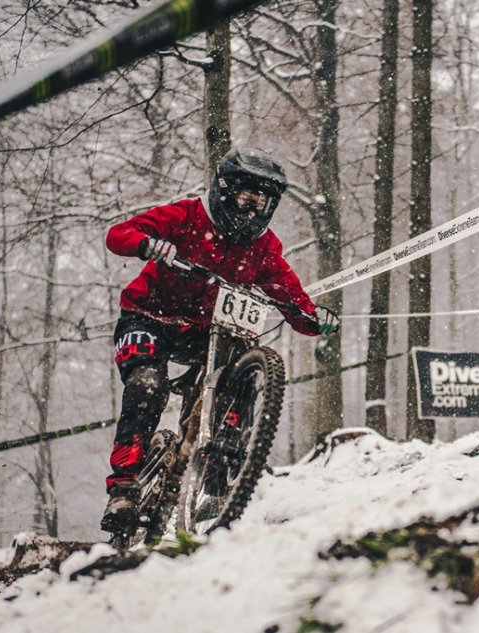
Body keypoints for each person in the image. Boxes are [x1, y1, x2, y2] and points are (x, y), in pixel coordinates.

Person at [100, 147, 337, 532]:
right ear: (225, 192)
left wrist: (315, 318)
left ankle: (217, 465)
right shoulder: (185, 216)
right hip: (148, 316)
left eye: (262, 205)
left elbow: (292, 298)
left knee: (239, 352)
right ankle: (123, 487)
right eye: (246, 200)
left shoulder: (263, 247)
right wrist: (148, 245)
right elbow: (118, 235)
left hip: (202, 331)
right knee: (147, 384)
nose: (252, 212)